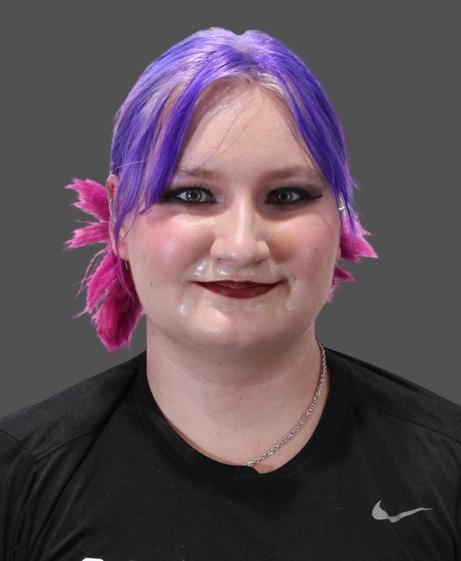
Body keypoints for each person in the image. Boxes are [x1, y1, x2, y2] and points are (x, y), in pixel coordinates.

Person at [0, 27, 459, 561]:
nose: (241, 247)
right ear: (121, 219)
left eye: (287, 196)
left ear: (339, 220)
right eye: (192, 194)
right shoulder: (22, 476)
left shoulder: (445, 469)